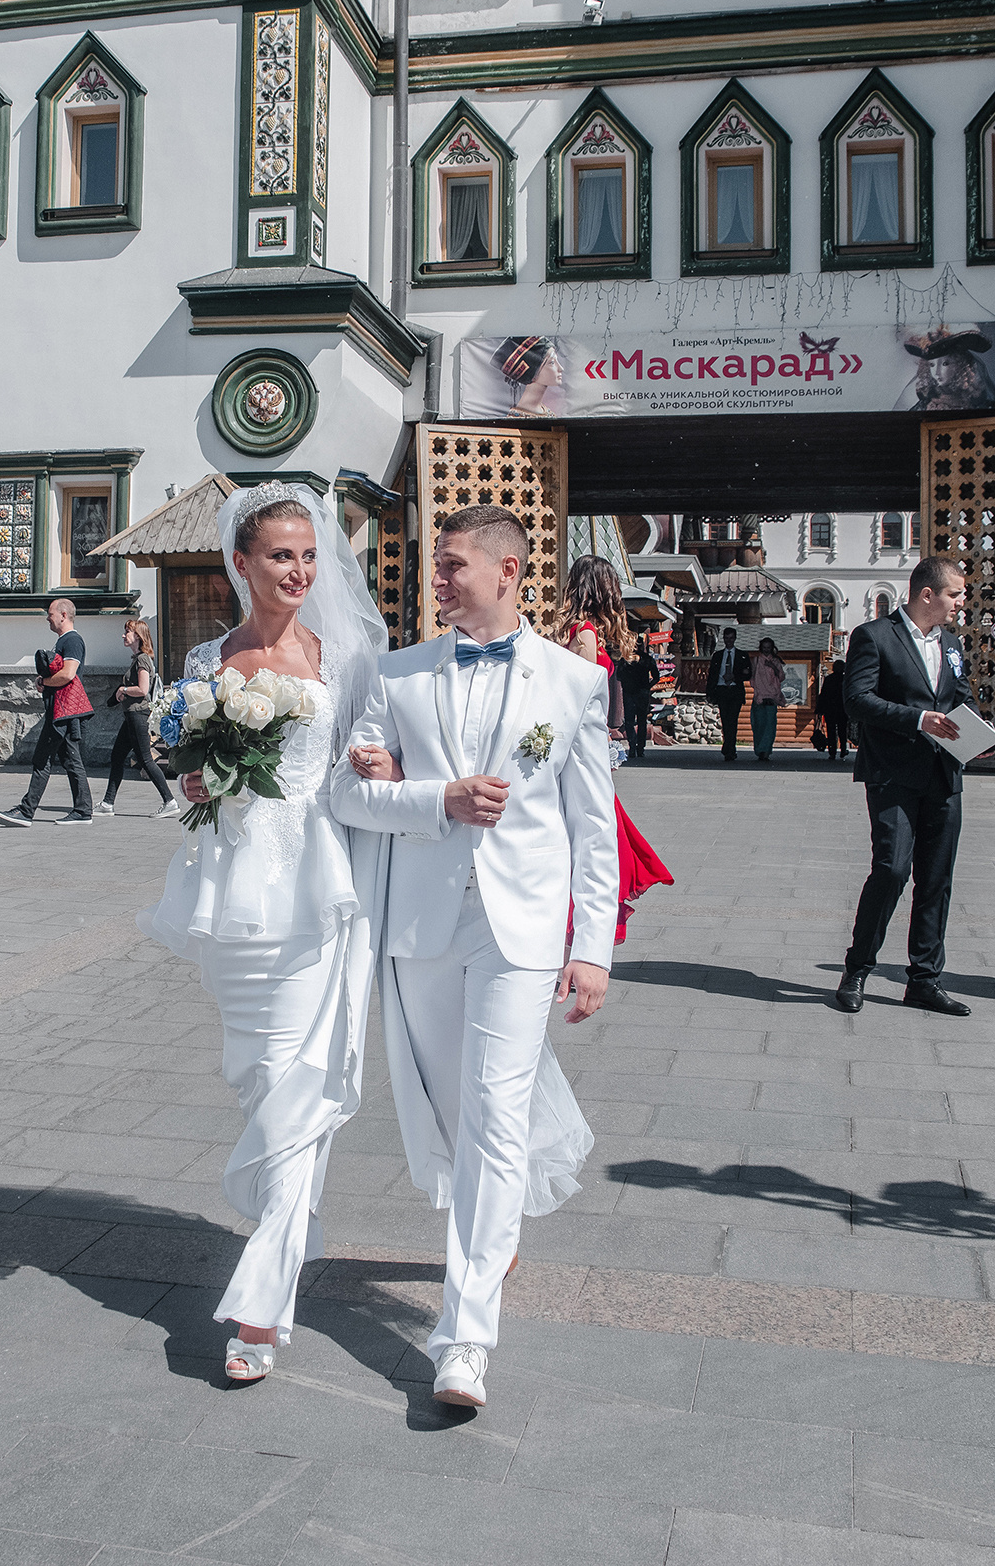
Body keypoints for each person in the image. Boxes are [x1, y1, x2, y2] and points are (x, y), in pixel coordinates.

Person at [332, 504, 614, 1410]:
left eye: (452, 566)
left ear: (507, 572)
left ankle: (464, 1337)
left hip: (521, 931)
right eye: (437, 565)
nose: (438, 579)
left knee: (494, 1114)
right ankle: (492, 1233)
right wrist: (433, 799)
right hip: (421, 925)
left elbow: (592, 826)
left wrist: (593, 945)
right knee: (457, 1110)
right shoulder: (398, 674)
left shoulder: (573, 682)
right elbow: (348, 792)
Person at [141, 484, 388, 1384]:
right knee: (267, 1082)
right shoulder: (209, 656)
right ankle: (286, 1244)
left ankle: (258, 1307)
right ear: (240, 564)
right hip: (234, 893)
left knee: (298, 1081)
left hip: (318, 891)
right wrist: (193, 785)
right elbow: (182, 770)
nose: (298, 570)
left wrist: (380, 760)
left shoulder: (347, 656)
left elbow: (376, 754)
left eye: (309, 555)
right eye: (280, 555)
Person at [834, 556, 985, 1017]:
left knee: (936, 879)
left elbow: (961, 696)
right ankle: (857, 968)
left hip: (944, 776)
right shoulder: (874, 636)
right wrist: (919, 720)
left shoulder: (952, 643)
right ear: (927, 595)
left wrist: (981, 732)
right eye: (955, 594)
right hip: (893, 774)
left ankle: (924, 979)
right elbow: (857, 701)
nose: (962, 602)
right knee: (892, 869)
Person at [556, 554, 674, 941]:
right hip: (583, 746)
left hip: (581, 742)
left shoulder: (568, 629)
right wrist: (602, 746)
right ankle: (581, 926)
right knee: (598, 831)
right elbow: (583, 699)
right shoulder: (586, 634)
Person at [0, 600, 93, 825]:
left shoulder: (72, 640)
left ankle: (26, 811)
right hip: (63, 710)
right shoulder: (66, 640)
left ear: (63, 615)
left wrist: (43, 680)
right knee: (71, 761)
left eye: (50, 614)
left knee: (42, 759)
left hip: (62, 711)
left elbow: (69, 674)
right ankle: (82, 811)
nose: (47, 618)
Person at [100, 618, 180, 819]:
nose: (123, 635)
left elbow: (143, 690)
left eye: (127, 632)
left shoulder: (143, 659)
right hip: (131, 716)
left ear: (137, 636)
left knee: (145, 759)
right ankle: (107, 803)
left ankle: (169, 801)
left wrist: (123, 689)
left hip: (138, 715)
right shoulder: (137, 659)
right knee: (117, 757)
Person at [709, 632, 748, 762]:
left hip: (735, 691)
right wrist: (710, 693)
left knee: (733, 720)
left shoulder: (742, 655)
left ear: (735, 639)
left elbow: (747, 674)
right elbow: (712, 675)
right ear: (723, 639)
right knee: (725, 720)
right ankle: (729, 747)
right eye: (726, 638)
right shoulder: (718, 656)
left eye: (731, 638)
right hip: (722, 690)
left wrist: (734, 677)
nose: (729, 641)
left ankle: (729, 749)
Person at [618, 637, 658, 759]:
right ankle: (640, 748)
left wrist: (627, 682)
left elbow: (618, 675)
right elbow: (656, 676)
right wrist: (648, 686)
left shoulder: (625, 659)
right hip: (642, 693)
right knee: (642, 721)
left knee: (629, 721)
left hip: (629, 692)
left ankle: (632, 747)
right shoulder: (647, 659)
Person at [749, 638, 785, 762]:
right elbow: (752, 678)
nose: (766, 650)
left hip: (771, 696)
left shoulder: (775, 660)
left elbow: (781, 677)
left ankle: (766, 751)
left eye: (768, 647)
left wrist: (773, 667)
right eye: (764, 647)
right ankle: (759, 750)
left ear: (772, 648)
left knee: (769, 725)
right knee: (758, 724)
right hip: (759, 696)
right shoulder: (756, 660)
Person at [820, 654, 851, 761]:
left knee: (831, 731)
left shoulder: (829, 679)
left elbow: (823, 695)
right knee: (843, 730)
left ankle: (832, 752)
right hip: (842, 709)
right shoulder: (846, 680)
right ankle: (843, 749)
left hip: (830, 709)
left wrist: (820, 709)